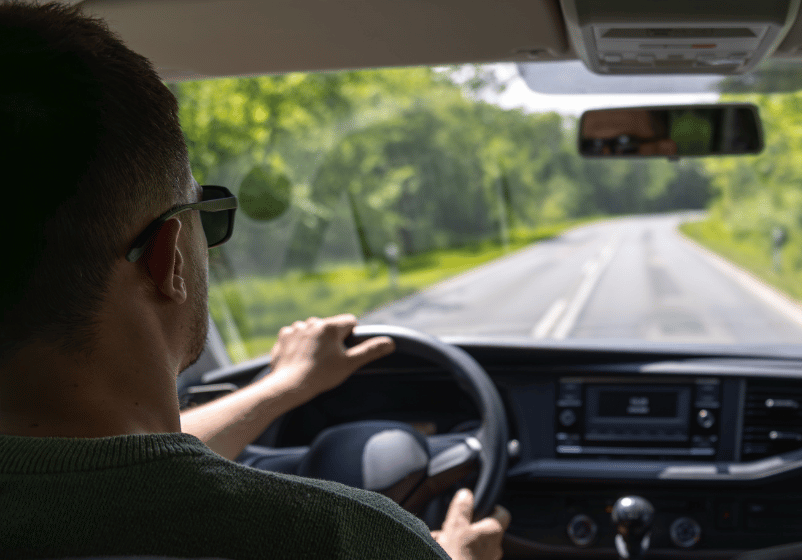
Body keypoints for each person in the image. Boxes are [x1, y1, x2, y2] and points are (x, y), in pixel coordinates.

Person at [0, 2, 508, 559]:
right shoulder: (347, 538)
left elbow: (104, 470)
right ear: (167, 259)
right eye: (202, 211)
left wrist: (283, 386)